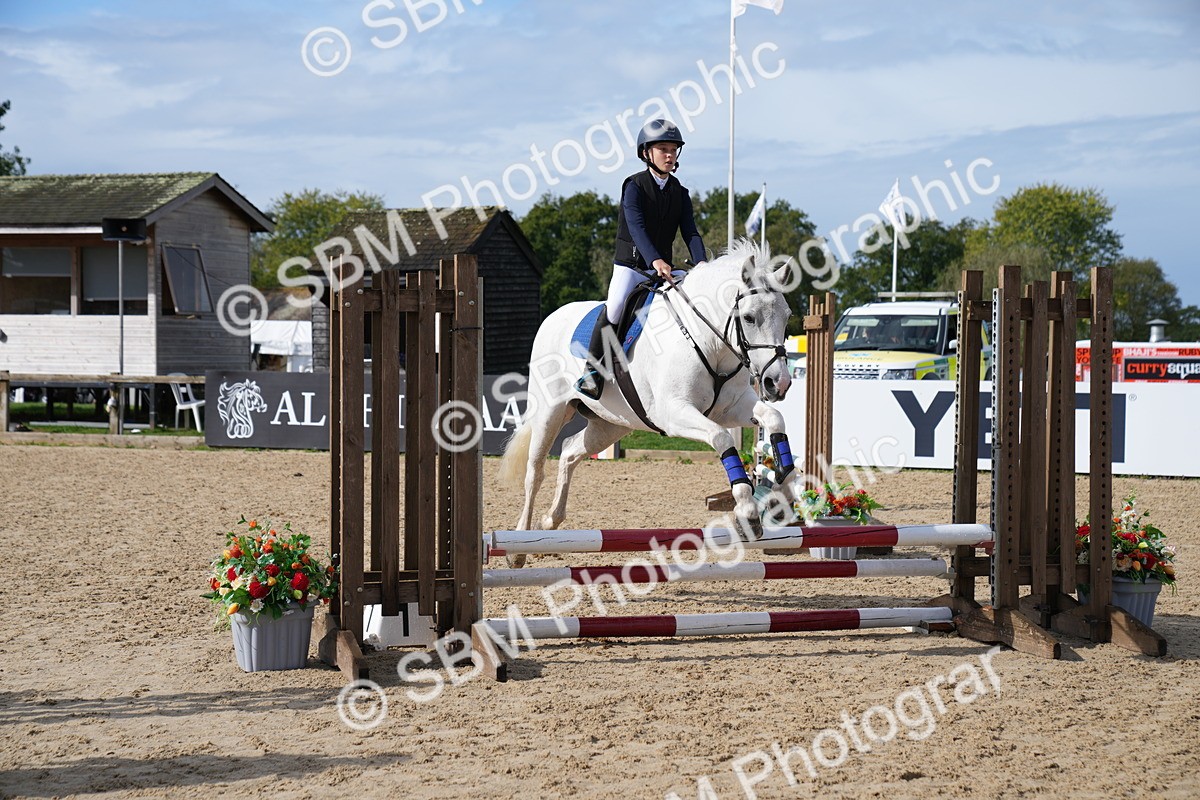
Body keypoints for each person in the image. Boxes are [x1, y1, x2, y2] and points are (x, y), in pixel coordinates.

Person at [575, 118, 708, 399]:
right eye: (663, 149)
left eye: (673, 150)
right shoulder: (633, 186)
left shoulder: (681, 193)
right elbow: (636, 228)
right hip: (632, 266)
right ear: (647, 153)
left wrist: (703, 264)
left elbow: (691, 232)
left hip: (664, 269)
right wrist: (656, 259)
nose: (670, 155)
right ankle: (592, 371)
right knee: (615, 307)